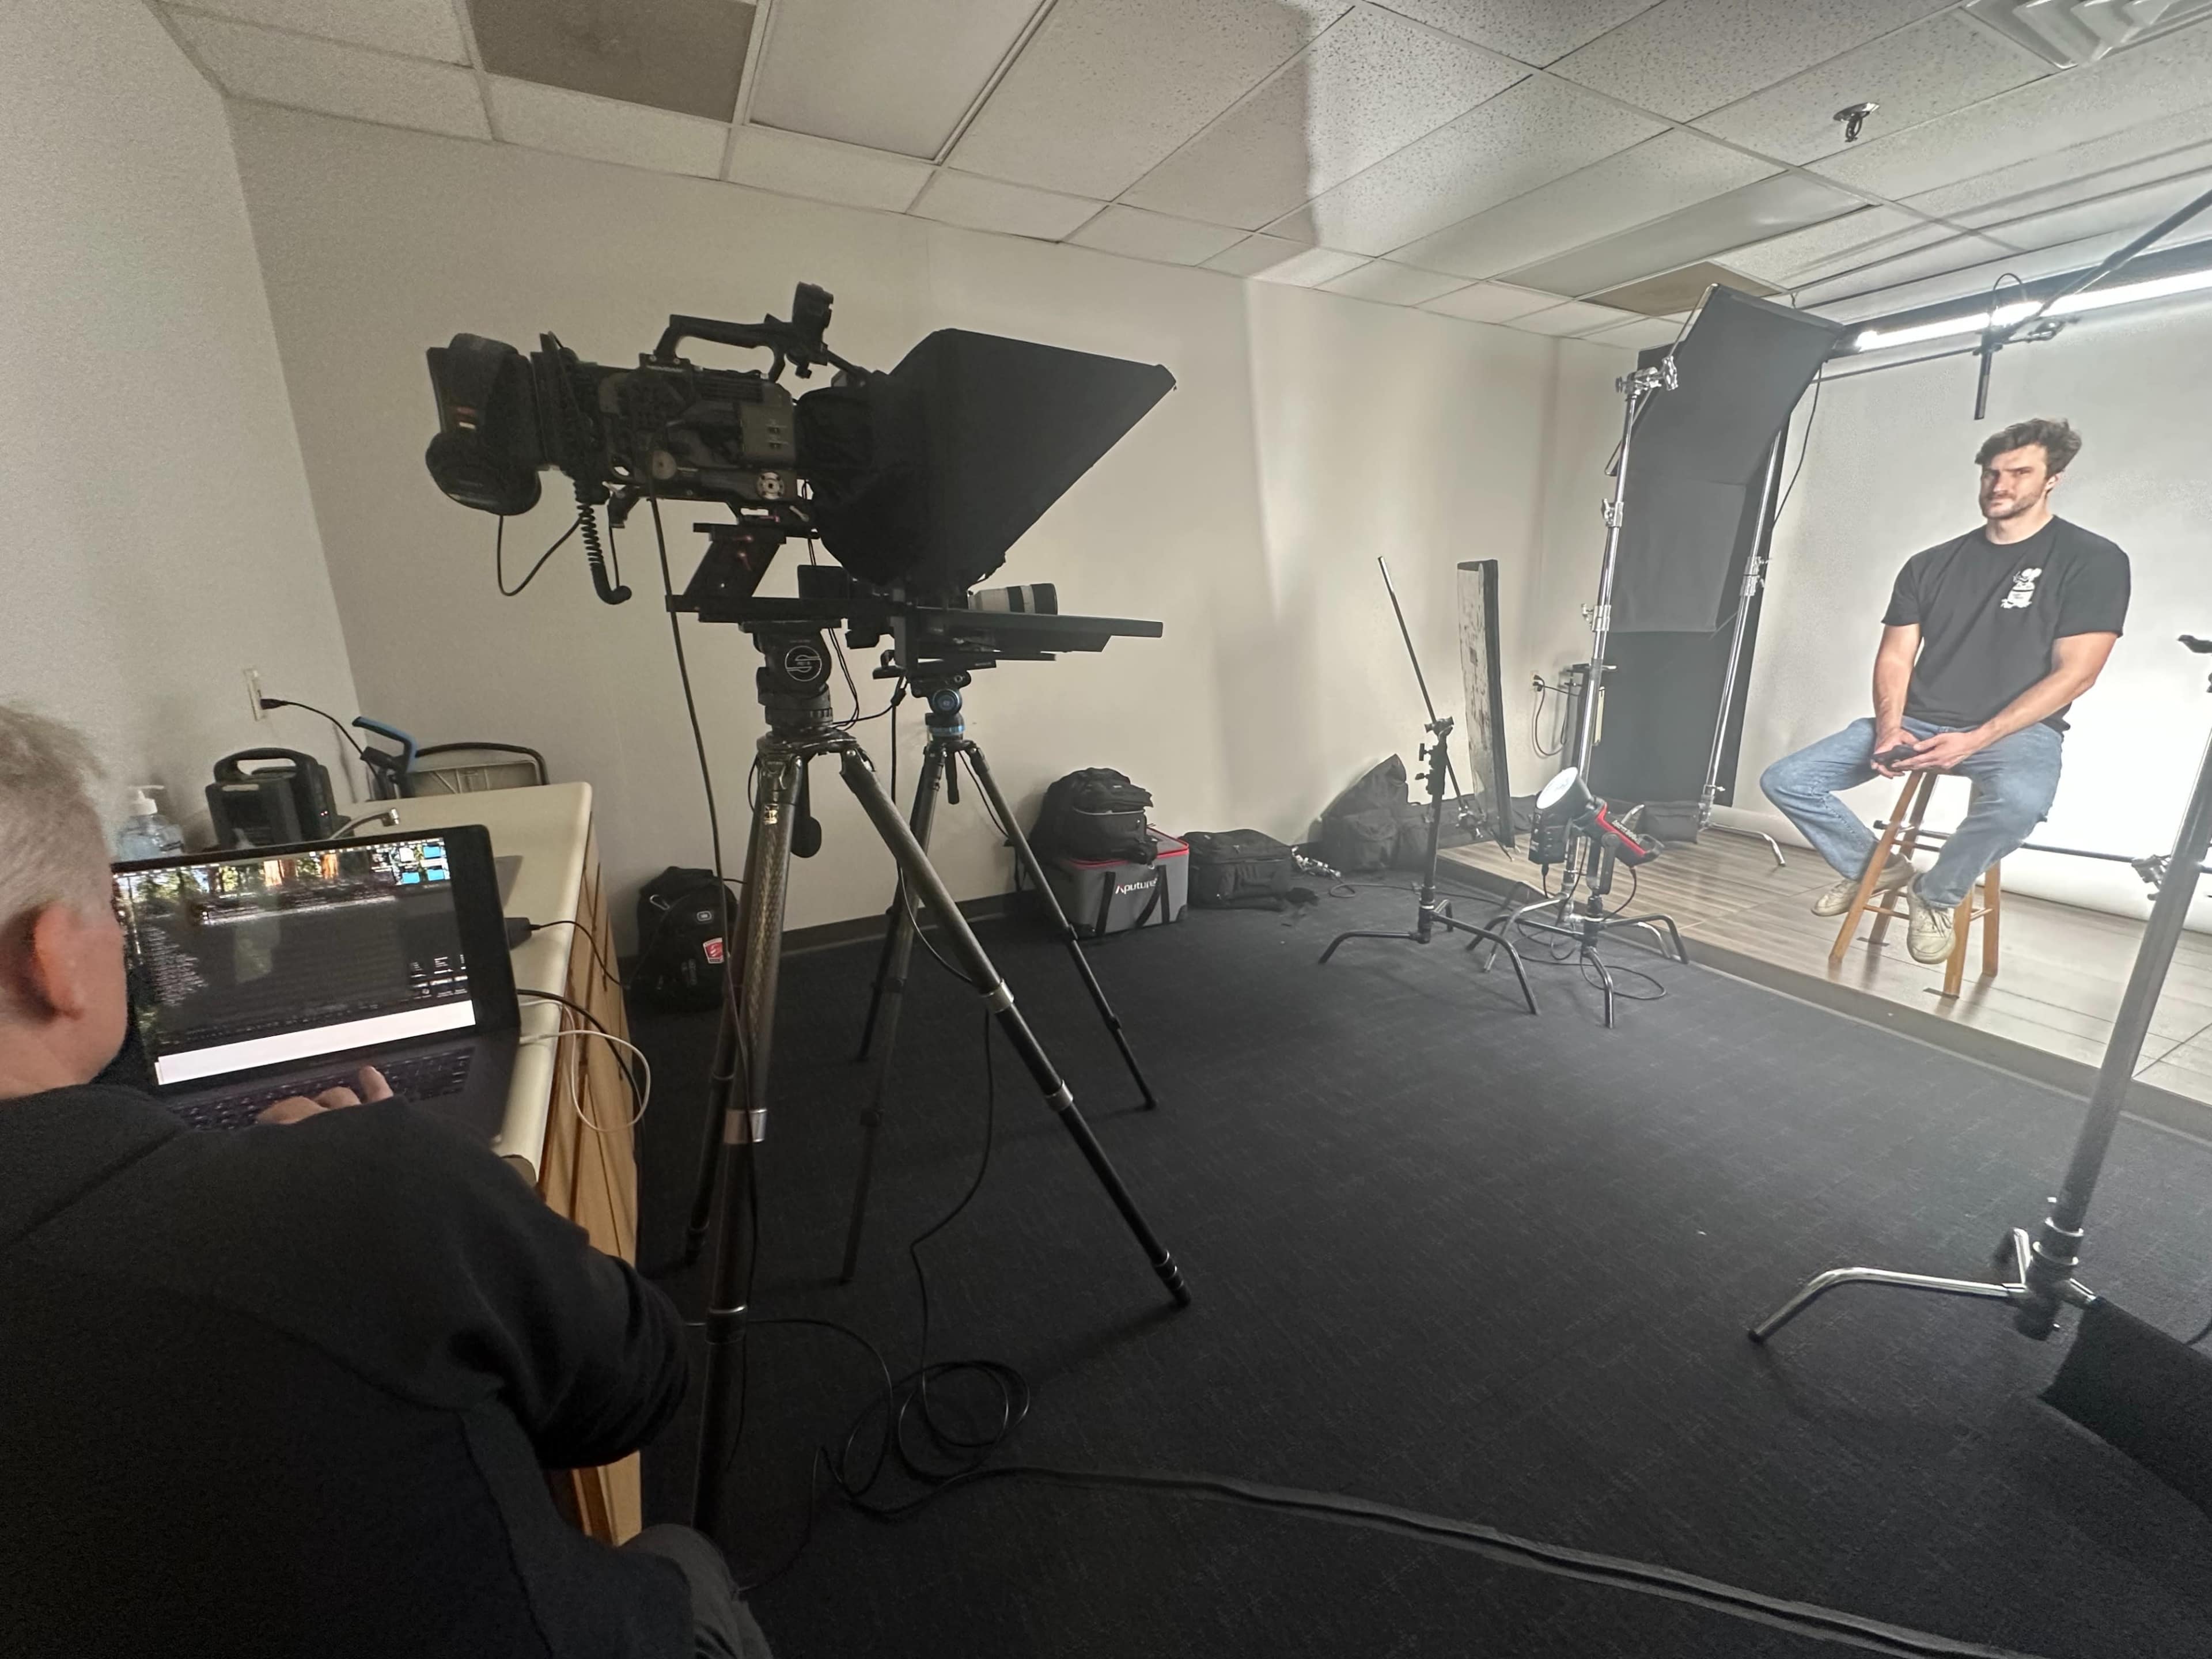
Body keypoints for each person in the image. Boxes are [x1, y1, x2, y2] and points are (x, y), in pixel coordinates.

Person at [0, 703, 768, 1658]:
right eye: (112, 917)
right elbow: (640, 1385)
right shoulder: (364, 1186)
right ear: (52, 959)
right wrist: (400, 1177)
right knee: (682, 1554)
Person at [1760, 418, 2129, 964]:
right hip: (1921, 721)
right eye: (1991, 473)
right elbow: (1895, 655)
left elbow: (2077, 672)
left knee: (2020, 804)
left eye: (2019, 473)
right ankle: (1877, 868)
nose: (1999, 486)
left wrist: (1979, 738)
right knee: (1788, 780)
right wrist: (1889, 727)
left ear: (2054, 479)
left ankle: (1935, 895)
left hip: (2017, 730)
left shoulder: (2092, 560)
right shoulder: (1930, 564)